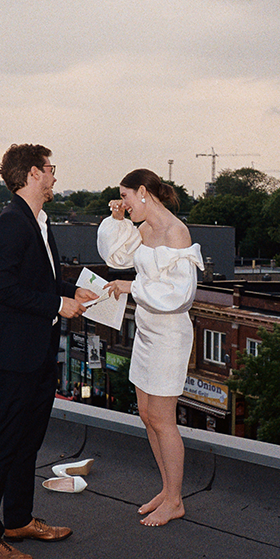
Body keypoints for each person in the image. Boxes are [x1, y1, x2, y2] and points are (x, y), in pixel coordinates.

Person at [0, 144, 98, 559]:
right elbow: (4, 290)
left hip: (40, 352)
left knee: (28, 441)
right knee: (4, 445)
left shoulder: (40, 223)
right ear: (30, 175)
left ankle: (19, 519)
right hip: (16, 355)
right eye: (50, 169)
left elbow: (39, 280)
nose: (55, 176)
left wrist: (67, 293)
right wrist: (56, 305)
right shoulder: (10, 223)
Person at [97, 168, 203, 526]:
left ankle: (175, 500)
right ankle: (167, 488)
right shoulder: (143, 229)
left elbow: (179, 294)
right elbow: (117, 257)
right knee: (146, 413)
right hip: (146, 330)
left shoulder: (176, 232)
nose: (122, 204)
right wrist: (116, 220)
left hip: (170, 335)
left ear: (143, 192)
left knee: (162, 417)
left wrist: (131, 288)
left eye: (124, 197)